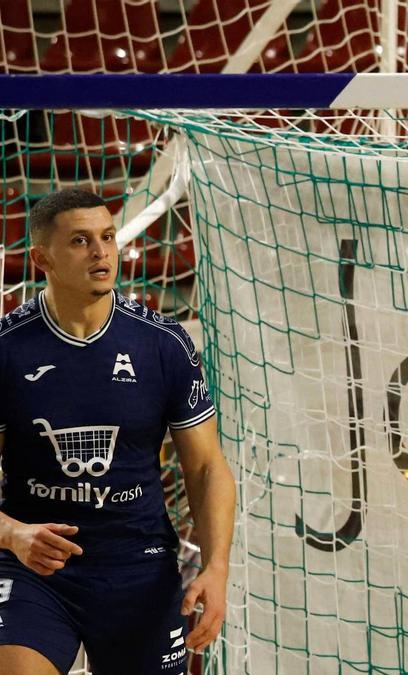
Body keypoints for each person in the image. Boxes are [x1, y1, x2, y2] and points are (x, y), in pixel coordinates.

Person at [0, 189, 236, 675]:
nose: (101, 252)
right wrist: (12, 533)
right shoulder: (7, 349)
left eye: (107, 237)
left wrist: (216, 567)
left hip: (138, 566)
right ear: (42, 259)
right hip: (34, 568)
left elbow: (206, 467)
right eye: (80, 241)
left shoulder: (163, 344)